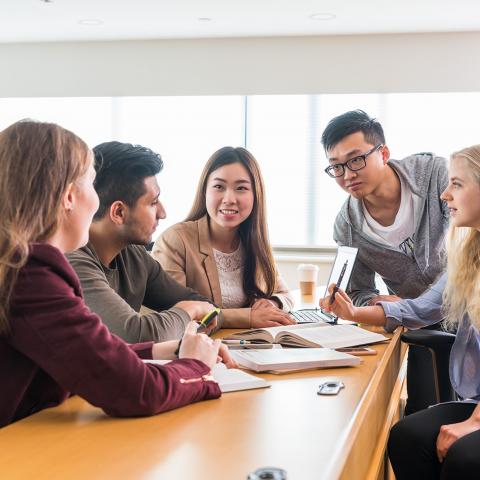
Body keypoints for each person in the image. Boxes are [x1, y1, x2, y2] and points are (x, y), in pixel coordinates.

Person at [0, 120, 235, 429]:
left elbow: (88, 356)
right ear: (69, 196)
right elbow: (133, 391)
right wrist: (195, 367)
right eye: (91, 184)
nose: (98, 200)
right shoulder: (31, 273)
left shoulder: (17, 265)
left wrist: (169, 350)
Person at [320, 144, 480, 479]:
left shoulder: (427, 178)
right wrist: (353, 313)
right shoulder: (469, 253)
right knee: (407, 437)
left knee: (465, 457)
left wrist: (474, 423)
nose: (444, 195)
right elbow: (421, 307)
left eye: (457, 184)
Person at [321, 109, 450, 414]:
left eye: (355, 160)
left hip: (471, 306)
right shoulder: (347, 226)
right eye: (336, 167)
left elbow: (472, 242)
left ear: (384, 153)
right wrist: (377, 301)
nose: (347, 174)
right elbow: (357, 292)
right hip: (417, 322)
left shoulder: (436, 177)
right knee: (421, 412)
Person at [67, 141, 219, 344]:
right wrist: (188, 311)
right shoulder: (72, 261)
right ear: (119, 212)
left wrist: (193, 312)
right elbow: (135, 335)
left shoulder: (133, 254)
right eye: (153, 202)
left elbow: (205, 306)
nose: (163, 213)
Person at [153, 146, 294, 329]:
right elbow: (176, 313)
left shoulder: (253, 241)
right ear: (205, 191)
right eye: (219, 187)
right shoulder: (175, 240)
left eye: (241, 188)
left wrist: (272, 304)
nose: (229, 199)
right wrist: (248, 317)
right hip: (201, 349)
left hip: (253, 347)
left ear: (255, 195)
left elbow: (284, 294)